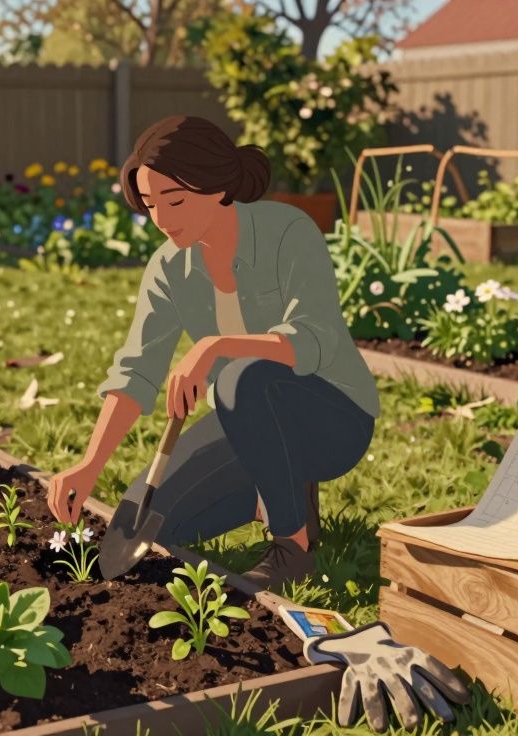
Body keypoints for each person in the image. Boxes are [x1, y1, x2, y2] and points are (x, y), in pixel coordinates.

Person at [46, 115, 379, 587]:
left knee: (241, 375)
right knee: (161, 521)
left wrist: (215, 346)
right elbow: (137, 369)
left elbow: (315, 337)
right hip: (245, 420)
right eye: (150, 203)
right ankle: (278, 486)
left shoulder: (287, 231)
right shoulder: (168, 268)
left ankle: (293, 544)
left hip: (333, 416)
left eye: (175, 200)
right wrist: (89, 464)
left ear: (217, 186)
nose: (162, 218)